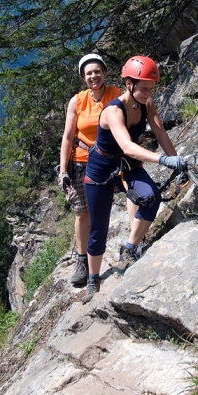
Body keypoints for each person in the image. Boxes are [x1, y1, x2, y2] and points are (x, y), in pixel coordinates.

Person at [83, 55, 186, 302]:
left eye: (151, 88)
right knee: (98, 228)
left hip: (126, 166)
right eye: (144, 88)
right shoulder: (112, 111)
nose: (148, 93)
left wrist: (177, 161)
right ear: (129, 84)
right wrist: (163, 160)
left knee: (151, 197)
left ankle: (129, 248)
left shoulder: (146, 103)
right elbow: (127, 146)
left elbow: (160, 131)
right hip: (101, 170)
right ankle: (93, 278)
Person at [58, 53, 121, 286]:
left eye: (97, 71)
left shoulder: (117, 94)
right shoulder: (78, 101)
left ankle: (136, 243)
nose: (93, 76)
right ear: (83, 77)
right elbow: (67, 137)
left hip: (111, 160)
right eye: (89, 73)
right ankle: (82, 260)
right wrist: (63, 170)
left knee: (134, 195)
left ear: (104, 72)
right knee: (83, 213)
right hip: (82, 162)